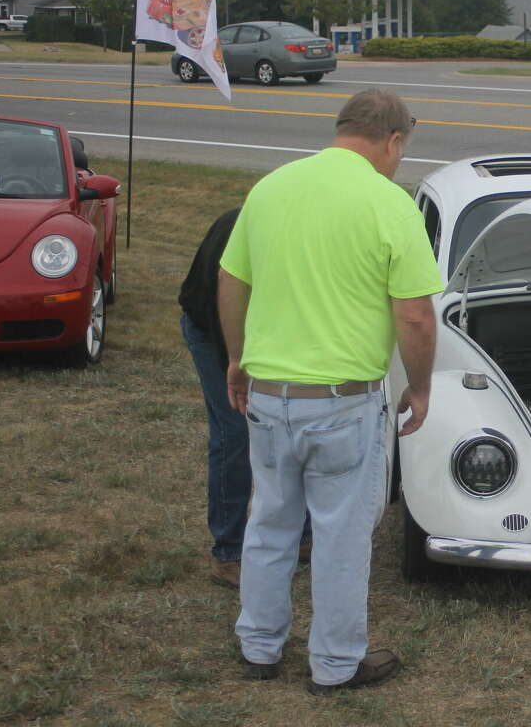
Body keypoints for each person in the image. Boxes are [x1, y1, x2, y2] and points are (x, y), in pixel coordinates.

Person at [218, 88, 441, 695]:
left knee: (268, 522)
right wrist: (419, 387)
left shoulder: (271, 188)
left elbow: (232, 279)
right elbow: (416, 317)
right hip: (343, 402)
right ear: (393, 141)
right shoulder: (389, 204)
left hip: (268, 394)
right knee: (341, 535)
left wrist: (238, 358)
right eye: (402, 150)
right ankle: (336, 663)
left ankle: (260, 646)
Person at [178, 209, 312, 590]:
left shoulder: (315, 240)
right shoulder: (249, 235)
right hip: (213, 327)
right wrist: (237, 371)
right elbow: (226, 322)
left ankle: (302, 536)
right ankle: (228, 552)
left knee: (296, 421)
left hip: (267, 330)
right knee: (235, 431)